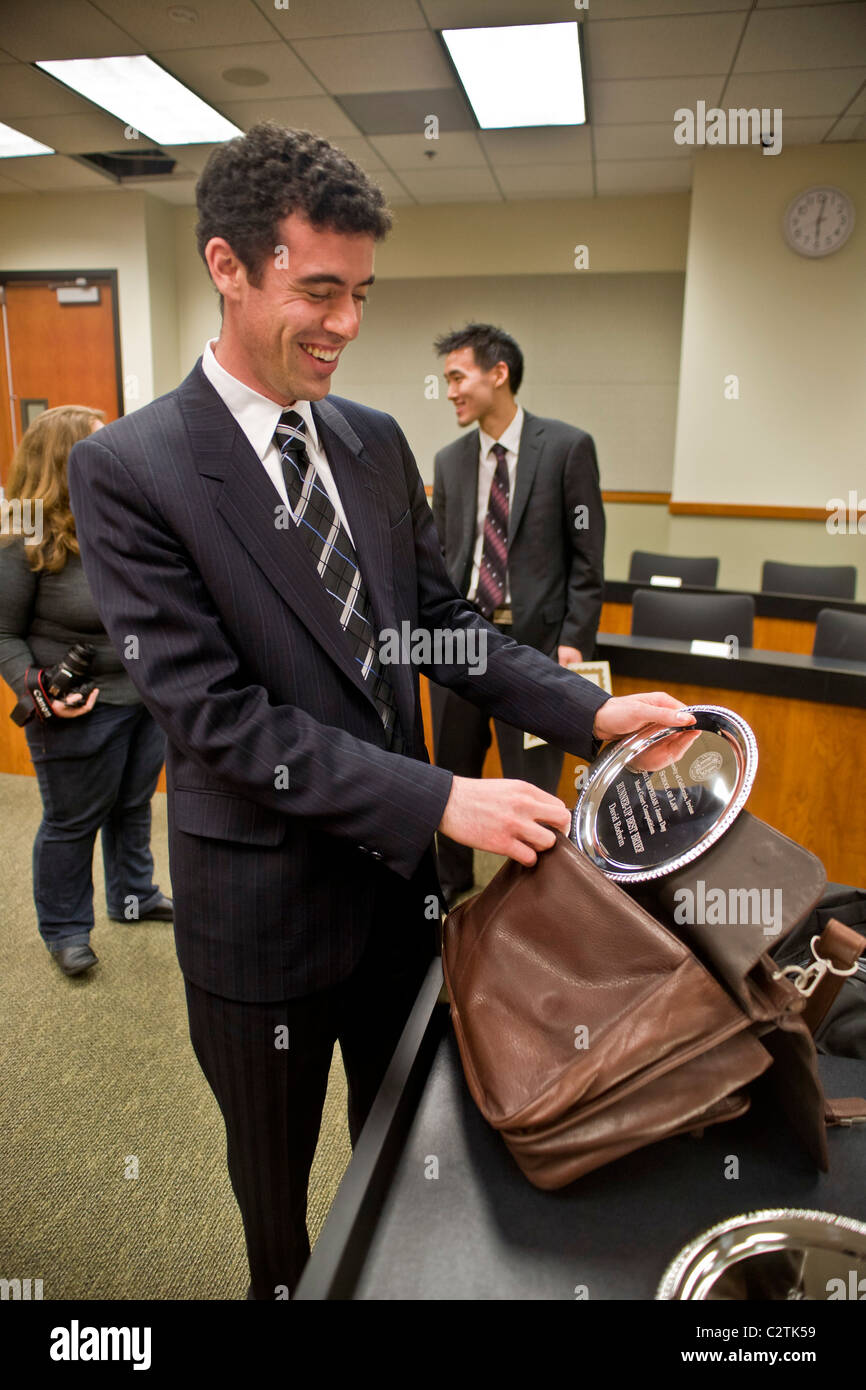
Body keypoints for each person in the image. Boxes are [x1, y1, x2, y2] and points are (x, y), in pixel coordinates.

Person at [66, 122, 695, 1298]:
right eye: (317, 290)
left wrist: (586, 712)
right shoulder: (131, 468)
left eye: (360, 293)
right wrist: (441, 793)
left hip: (403, 903)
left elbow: (442, 624)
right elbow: (218, 717)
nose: (346, 326)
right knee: (276, 1208)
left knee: (410, 1160)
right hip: (263, 914)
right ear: (227, 266)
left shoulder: (370, 440)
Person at [430, 323, 605, 905]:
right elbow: (443, 558)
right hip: (460, 645)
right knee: (449, 780)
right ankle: (449, 899)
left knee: (532, 793)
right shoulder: (449, 460)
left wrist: (574, 639)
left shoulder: (566, 447)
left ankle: (527, 911)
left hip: (534, 653)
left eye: (457, 377)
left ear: (497, 374)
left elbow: (587, 558)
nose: (448, 390)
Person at [0, 405, 172, 978]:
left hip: (140, 699)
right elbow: (3, 631)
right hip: (74, 709)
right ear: (64, 458)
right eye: (99, 445)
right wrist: (39, 692)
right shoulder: (24, 528)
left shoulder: (113, 516)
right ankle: (66, 929)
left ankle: (134, 896)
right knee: (72, 819)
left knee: (131, 806)